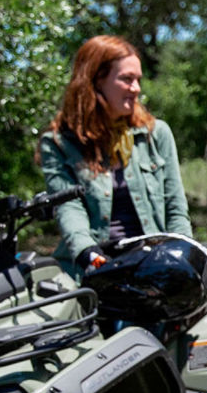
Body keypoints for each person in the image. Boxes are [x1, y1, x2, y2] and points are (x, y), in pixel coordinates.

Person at [38, 36, 192, 277]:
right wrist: (87, 252)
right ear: (96, 81)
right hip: (92, 266)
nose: (136, 88)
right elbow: (69, 208)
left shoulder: (155, 134)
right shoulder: (58, 143)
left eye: (138, 80)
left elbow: (175, 208)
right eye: (126, 79)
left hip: (154, 263)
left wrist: (183, 256)